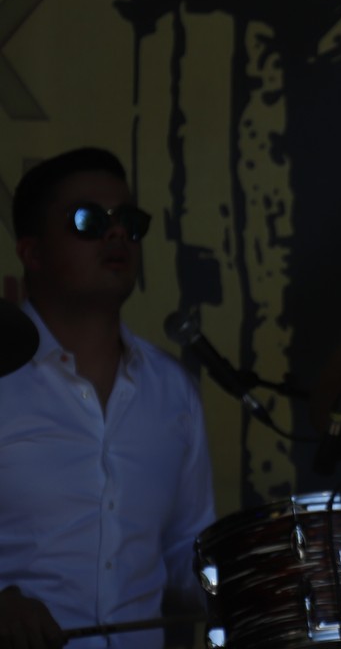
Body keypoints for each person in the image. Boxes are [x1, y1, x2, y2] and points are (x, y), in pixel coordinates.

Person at [1, 147, 215, 649]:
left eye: (130, 222)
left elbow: (188, 556)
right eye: (89, 220)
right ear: (32, 253)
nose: (117, 234)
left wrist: (273, 578)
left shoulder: (173, 390)